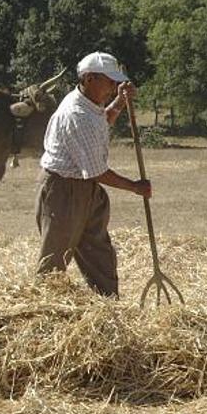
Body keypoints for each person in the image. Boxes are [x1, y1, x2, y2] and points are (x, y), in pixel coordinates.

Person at [35, 51, 152, 297]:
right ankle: (43, 312)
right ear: (89, 79)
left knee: (100, 255)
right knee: (54, 263)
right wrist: (135, 187)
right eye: (109, 81)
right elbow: (96, 171)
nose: (113, 87)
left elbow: (103, 120)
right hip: (63, 192)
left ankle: (109, 305)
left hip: (86, 189)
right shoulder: (76, 114)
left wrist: (119, 102)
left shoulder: (90, 105)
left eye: (115, 82)